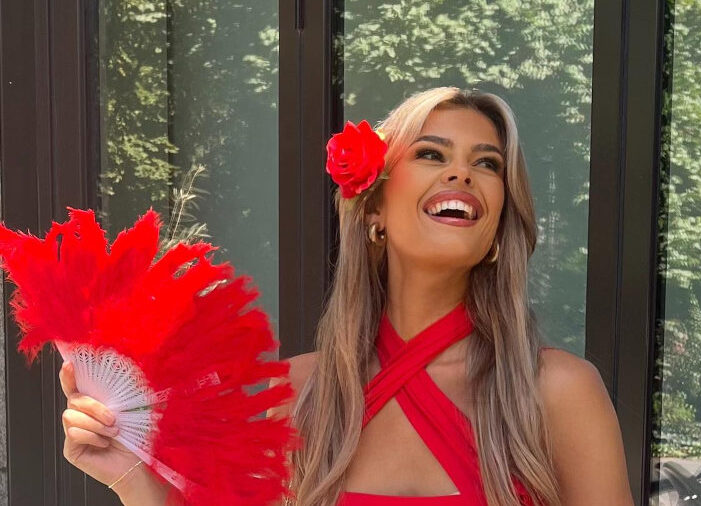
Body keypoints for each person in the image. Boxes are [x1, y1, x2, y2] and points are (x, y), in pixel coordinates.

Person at [57, 87, 633, 505]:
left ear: (498, 223)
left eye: (487, 164)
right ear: (375, 208)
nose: (462, 174)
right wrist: (131, 478)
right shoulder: (295, 394)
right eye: (432, 154)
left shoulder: (557, 392)